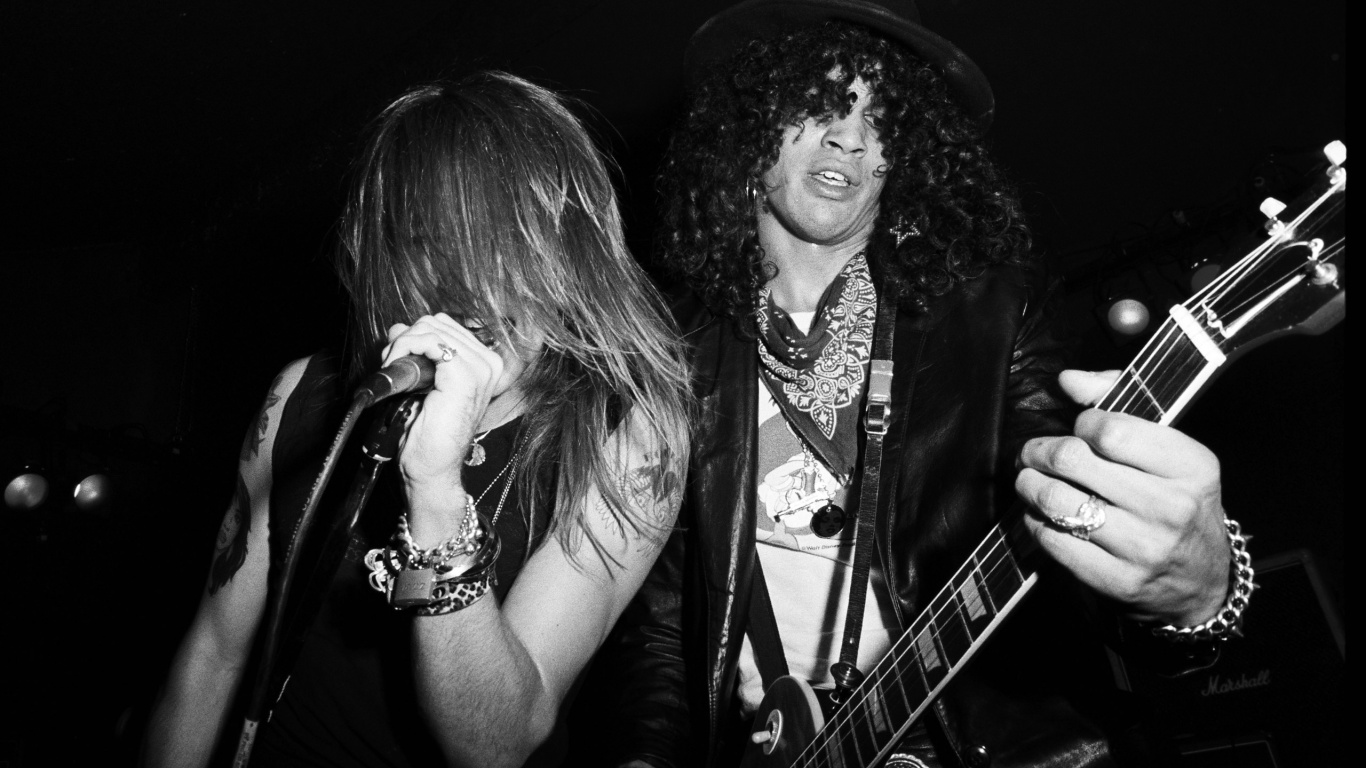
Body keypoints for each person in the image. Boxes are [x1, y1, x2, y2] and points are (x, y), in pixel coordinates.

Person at [611, 1, 1242, 766]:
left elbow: (1086, 556)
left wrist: (1197, 595)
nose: (850, 134)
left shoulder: (991, 313)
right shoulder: (669, 350)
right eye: (818, 101)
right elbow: (662, 633)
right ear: (749, 124)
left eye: (882, 117)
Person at [143, 70, 693, 768]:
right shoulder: (302, 396)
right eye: (434, 242)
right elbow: (214, 653)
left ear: (568, 249)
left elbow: (496, 745)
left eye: (506, 243)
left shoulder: (631, 433)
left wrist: (435, 491)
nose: (475, 285)